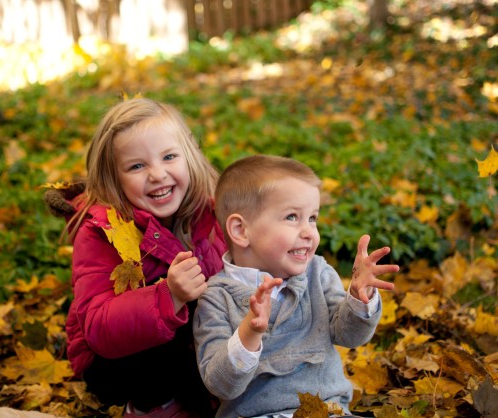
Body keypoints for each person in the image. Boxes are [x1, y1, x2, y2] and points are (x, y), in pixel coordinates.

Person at [44, 98, 227, 417]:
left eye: (169, 156)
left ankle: (203, 395)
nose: (158, 174)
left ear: (190, 157)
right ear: (114, 178)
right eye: (137, 166)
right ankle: (151, 406)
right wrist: (168, 296)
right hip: (116, 363)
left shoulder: (206, 213)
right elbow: (99, 330)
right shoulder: (102, 232)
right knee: (179, 324)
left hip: (193, 345)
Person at [193, 154, 400, 418]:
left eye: (312, 218)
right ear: (241, 230)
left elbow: (349, 335)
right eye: (292, 217)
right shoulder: (216, 298)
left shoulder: (318, 271)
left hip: (328, 410)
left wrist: (362, 296)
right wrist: (248, 334)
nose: (309, 232)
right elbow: (220, 384)